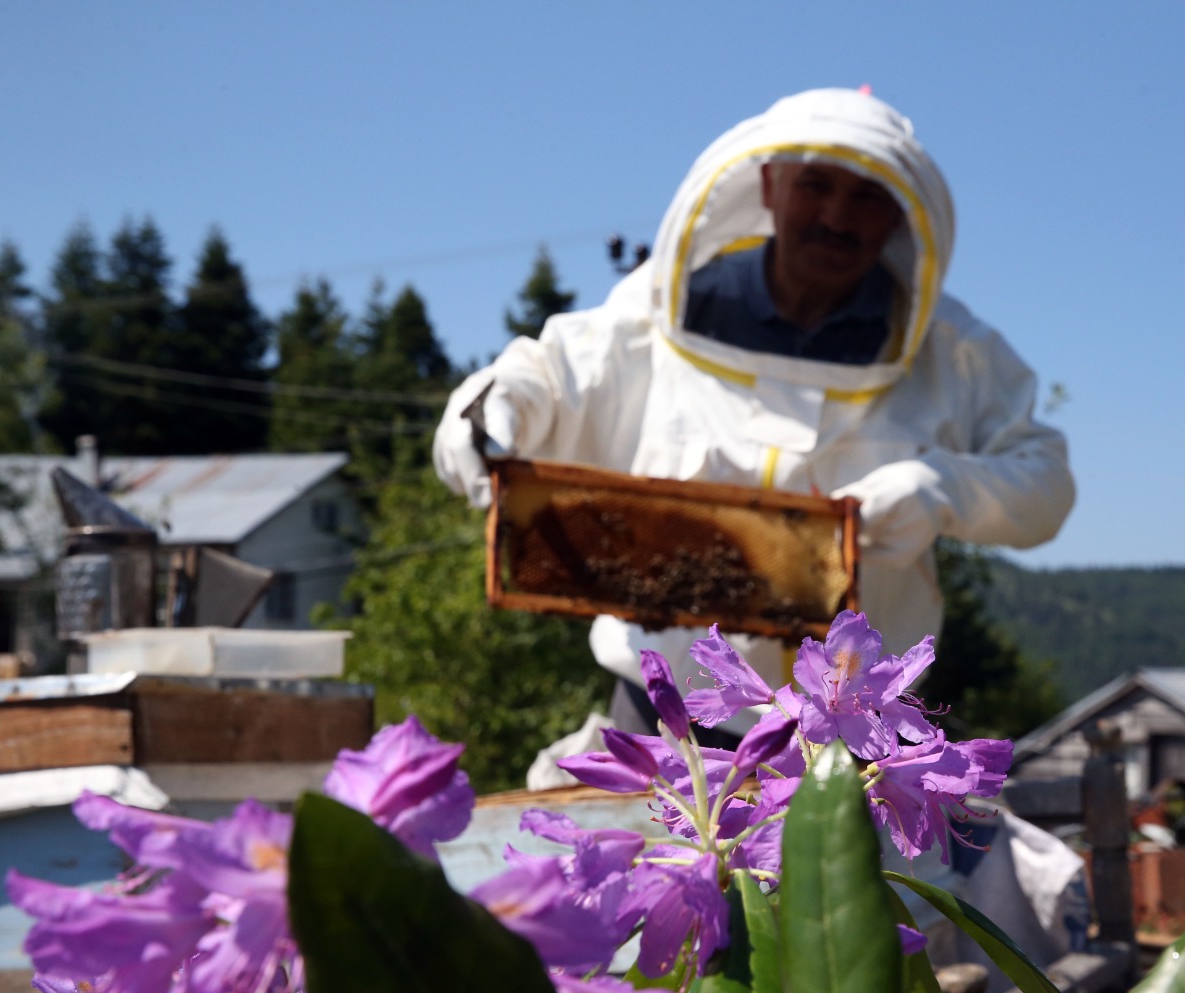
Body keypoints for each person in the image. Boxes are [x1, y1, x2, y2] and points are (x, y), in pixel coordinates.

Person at [434, 87, 1075, 740]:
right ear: (768, 186)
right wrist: (489, 417)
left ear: (899, 219)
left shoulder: (953, 349)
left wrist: (943, 489)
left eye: (866, 198)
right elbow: (543, 377)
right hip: (665, 724)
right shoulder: (655, 310)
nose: (837, 216)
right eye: (816, 185)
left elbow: (1046, 482)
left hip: (850, 737)